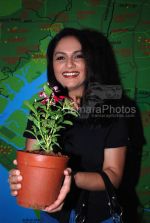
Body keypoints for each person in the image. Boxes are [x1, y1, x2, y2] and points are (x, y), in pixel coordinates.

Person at [8, 27, 128, 223]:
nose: (69, 64)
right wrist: (21, 178)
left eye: (78, 56)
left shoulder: (114, 106)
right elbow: (32, 158)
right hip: (53, 214)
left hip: (97, 215)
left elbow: (113, 175)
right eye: (60, 57)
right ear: (52, 65)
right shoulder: (43, 107)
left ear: (90, 62)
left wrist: (68, 179)